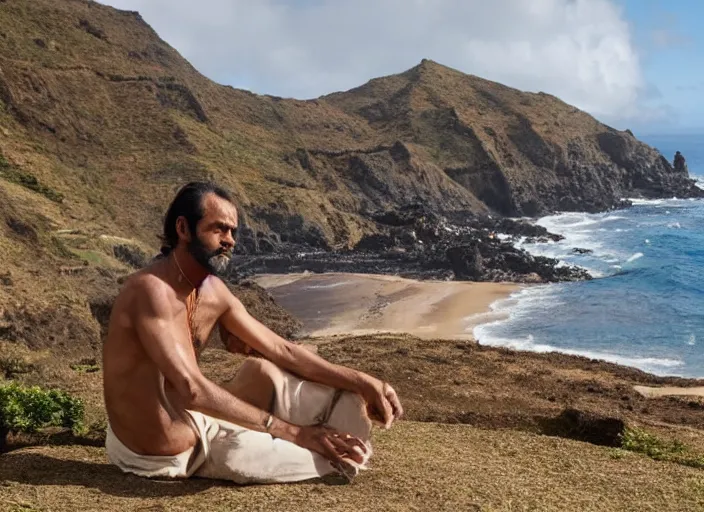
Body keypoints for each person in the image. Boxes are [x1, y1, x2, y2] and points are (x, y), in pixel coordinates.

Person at [102, 181, 403, 484]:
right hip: (159, 449)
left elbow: (282, 350)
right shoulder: (150, 291)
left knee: (266, 373)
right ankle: (326, 445)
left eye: (232, 231)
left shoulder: (212, 292)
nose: (229, 240)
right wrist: (294, 433)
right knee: (289, 455)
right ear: (183, 229)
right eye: (218, 229)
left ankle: (336, 421)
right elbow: (192, 389)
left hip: (192, 417)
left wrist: (363, 382)